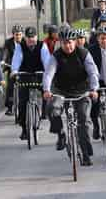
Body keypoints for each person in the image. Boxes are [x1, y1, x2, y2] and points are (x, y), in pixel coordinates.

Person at [43, 28, 99, 166]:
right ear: (60, 43)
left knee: (84, 121)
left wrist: (94, 88)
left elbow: (93, 72)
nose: (67, 46)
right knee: (52, 109)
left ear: (75, 42)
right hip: (61, 90)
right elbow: (49, 74)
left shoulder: (83, 53)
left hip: (82, 91)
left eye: (70, 42)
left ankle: (86, 154)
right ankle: (61, 134)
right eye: (64, 43)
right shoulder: (56, 56)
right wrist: (46, 90)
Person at [12, 26, 50, 140]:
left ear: (36, 37)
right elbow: (16, 59)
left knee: (46, 93)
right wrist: (14, 71)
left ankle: (44, 112)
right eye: (28, 37)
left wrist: (48, 72)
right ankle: (24, 128)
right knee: (22, 102)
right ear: (25, 38)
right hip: (25, 76)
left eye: (33, 37)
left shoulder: (42, 45)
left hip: (39, 75)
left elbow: (47, 60)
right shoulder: (20, 46)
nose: (30, 40)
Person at [3, 24, 24, 116]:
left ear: (22, 34)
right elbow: (5, 53)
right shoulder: (8, 43)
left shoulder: (25, 42)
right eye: (16, 34)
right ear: (13, 35)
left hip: (23, 66)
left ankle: (25, 103)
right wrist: (3, 61)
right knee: (10, 86)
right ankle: (10, 107)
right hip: (11, 66)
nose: (18, 36)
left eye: (19, 34)